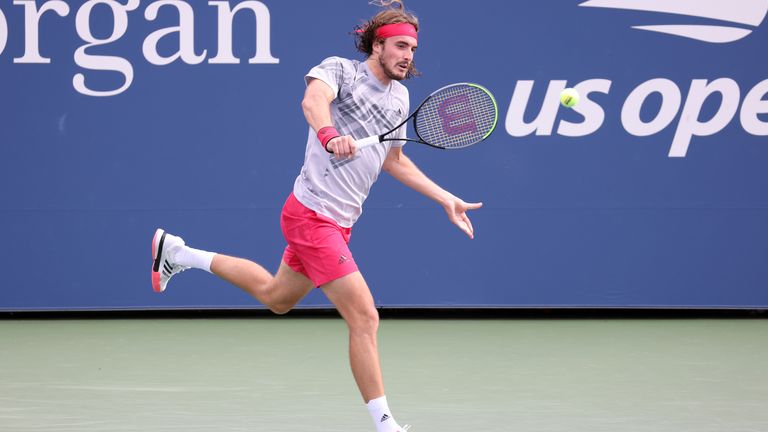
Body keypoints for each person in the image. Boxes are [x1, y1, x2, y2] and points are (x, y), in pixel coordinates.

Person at [150, 1, 481, 431]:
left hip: (340, 222)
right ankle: (386, 425)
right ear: (377, 44)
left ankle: (178, 253)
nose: (408, 56)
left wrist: (444, 197)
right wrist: (329, 134)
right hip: (311, 214)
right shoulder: (340, 71)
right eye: (400, 46)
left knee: (277, 298)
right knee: (364, 317)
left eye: (413, 50)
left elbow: (394, 160)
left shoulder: (401, 99)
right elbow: (313, 101)